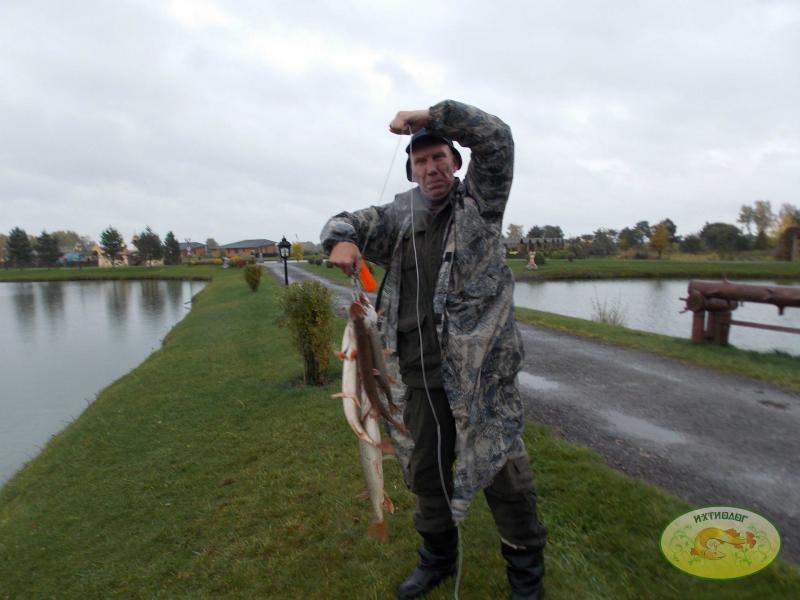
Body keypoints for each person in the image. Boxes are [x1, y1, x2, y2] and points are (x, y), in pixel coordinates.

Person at [321, 100, 547, 600]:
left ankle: (526, 580)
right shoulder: (398, 217)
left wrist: (434, 116)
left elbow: (497, 139)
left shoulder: (481, 205)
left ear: (456, 161)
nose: (432, 168)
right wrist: (339, 240)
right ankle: (437, 558)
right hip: (415, 377)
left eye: (439, 156)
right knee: (424, 474)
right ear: (411, 170)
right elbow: (345, 222)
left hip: (480, 382)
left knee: (505, 478)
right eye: (421, 161)